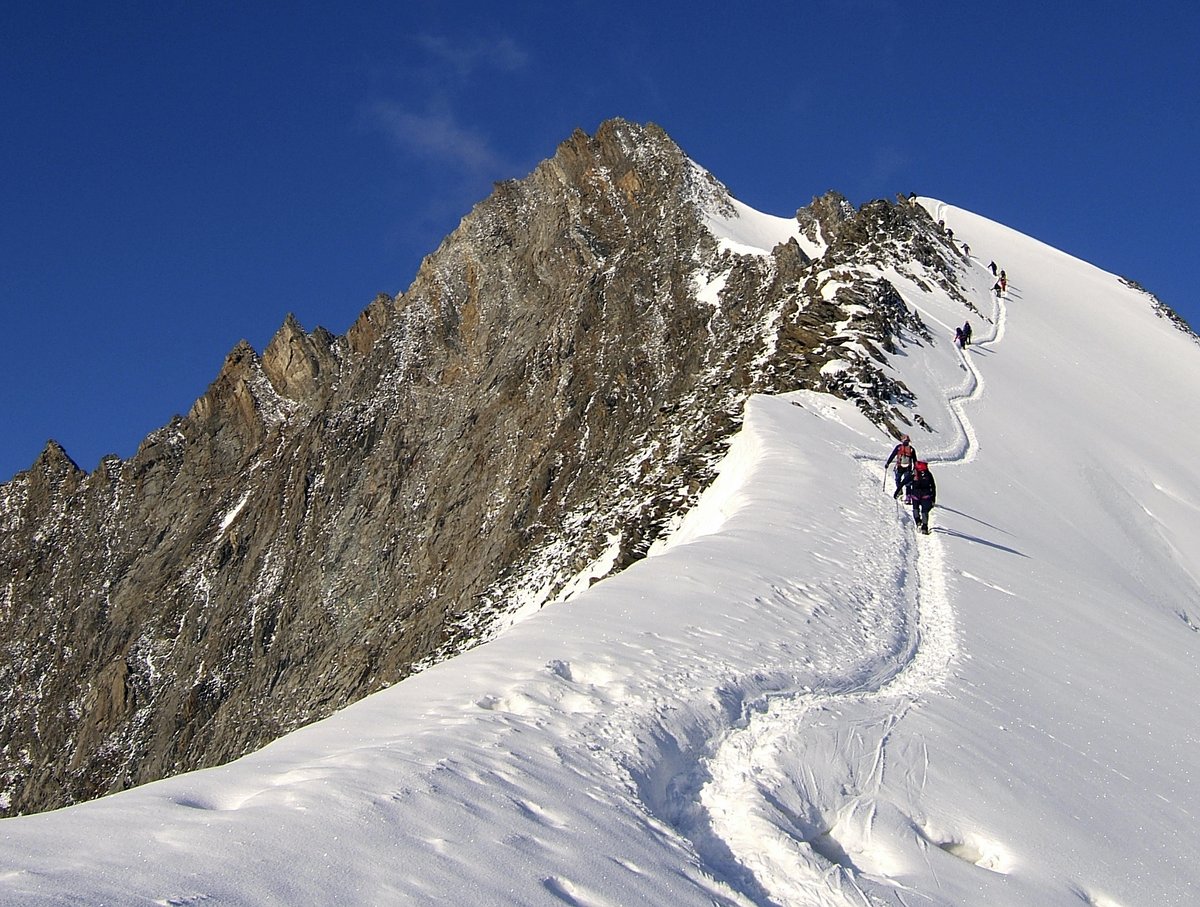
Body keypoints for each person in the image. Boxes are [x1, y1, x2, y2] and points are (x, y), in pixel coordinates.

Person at [885, 434, 917, 499]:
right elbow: (915, 460)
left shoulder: (898, 447)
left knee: (898, 479)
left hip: (899, 466)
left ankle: (899, 491)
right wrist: (915, 468)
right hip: (908, 468)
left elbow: (892, 455)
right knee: (908, 482)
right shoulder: (911, 449)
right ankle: (908, 497)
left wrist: (888, 463)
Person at [909, 461, 937, 534]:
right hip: (926, 496)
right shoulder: (928, 474)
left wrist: (897, 492)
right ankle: (924, 527)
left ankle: (918, 521)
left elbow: (905, 481)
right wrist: (933, 498)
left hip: (915, 495)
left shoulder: (914, 473)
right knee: (925, 511)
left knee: (915, 509)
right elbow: (933, 486)